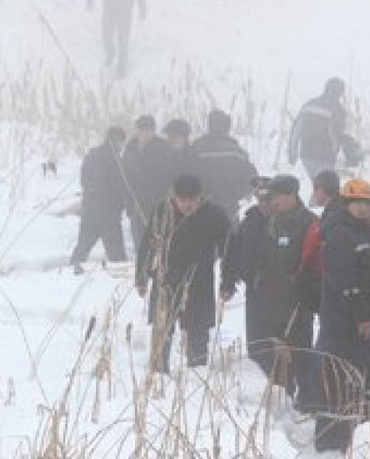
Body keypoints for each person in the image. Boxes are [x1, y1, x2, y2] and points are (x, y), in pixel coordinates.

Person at [313, 178, 370, 453]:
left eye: (366, 203)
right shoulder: (343, 234)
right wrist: (362, 317)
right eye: (357, 203)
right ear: (346, 203)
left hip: (350, 321)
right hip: (343, 322)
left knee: (357, 373)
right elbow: (347, 283)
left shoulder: (361, 232)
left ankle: (351, 434)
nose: (363, 209)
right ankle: (334, 439)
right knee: (343, 376)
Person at [135, 175, 232, 373]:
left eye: (191, 200)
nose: (186, 205)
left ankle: (197, 373)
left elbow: (229, 251)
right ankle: (159, 374)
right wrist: (141, 276)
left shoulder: (214, 216)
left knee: (197, 333)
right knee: (162, 331)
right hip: (166, 281)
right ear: (174, 197)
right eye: (182, 200)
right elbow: (147, 245)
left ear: (200, 197)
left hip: (199, 283)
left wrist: (228, 282)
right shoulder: (163, 211)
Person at [243, 175, 320, 409]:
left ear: (290, 195)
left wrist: (301, 285)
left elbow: (313, 263)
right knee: (273, 350)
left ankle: (307, 398)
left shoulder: (309, 223)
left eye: (276, 197)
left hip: (297, 299)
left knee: (299, 350)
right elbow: (263, 254)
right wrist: (259, 278)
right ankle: (283, 395)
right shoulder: (273, 221)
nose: (272, 202)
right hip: (271, 297)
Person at [220, 175, 272, 365]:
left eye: (268, 199)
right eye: (261, 199)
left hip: (283, 293)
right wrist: (227, 282)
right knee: (257, 344)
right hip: (254, 290)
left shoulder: (289, 221)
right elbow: (232, 253)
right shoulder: (249, 222)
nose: (264, 204)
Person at [69, 126, 128, 274]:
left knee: (82, 248)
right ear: (118, 141)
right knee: (117, 255)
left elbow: (85, 181)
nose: (121, 145)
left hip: (90, 210)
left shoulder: (92, 156)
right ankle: (120, 277)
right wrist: (119, 205)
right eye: (121, 142)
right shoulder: (116, 161)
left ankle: (71, 272)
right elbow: (118, 188)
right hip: (109, 214)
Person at [191, 109, 258, 226]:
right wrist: (236, 195)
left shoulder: (196, 148)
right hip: (229, 209)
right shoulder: (237, 151)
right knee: (229, 241)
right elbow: (252, 180)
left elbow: (186, 173)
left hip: (201, 207)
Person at [86, 0, 146, 78]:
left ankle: (122, 67)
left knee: (123, 40)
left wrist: (142, 9)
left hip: (125, 13)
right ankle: (110, 52)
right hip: (109, 10)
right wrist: (90, 0)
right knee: (107, 35)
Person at [121, 115, 173, 252]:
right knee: (139, 240)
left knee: (158, 239)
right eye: (142, 130)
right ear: (137, 130)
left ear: (153, 131)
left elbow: (168, 174)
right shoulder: (130, 148)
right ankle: (142, 268)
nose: (145, 134)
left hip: (156, 201)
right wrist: (128, 203)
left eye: (149, 130)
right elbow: (125, 175)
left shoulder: (163, 147)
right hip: (135, 202)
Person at [288, 77, 348, 181]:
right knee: (326, 190)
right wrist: (337, 154)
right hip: (325, 156)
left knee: (318, 187)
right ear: (340, 92)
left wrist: (292, 152)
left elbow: (296, 131)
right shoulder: (337, 109)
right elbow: (335, 134)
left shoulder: (309, 104)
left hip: (307, 154)